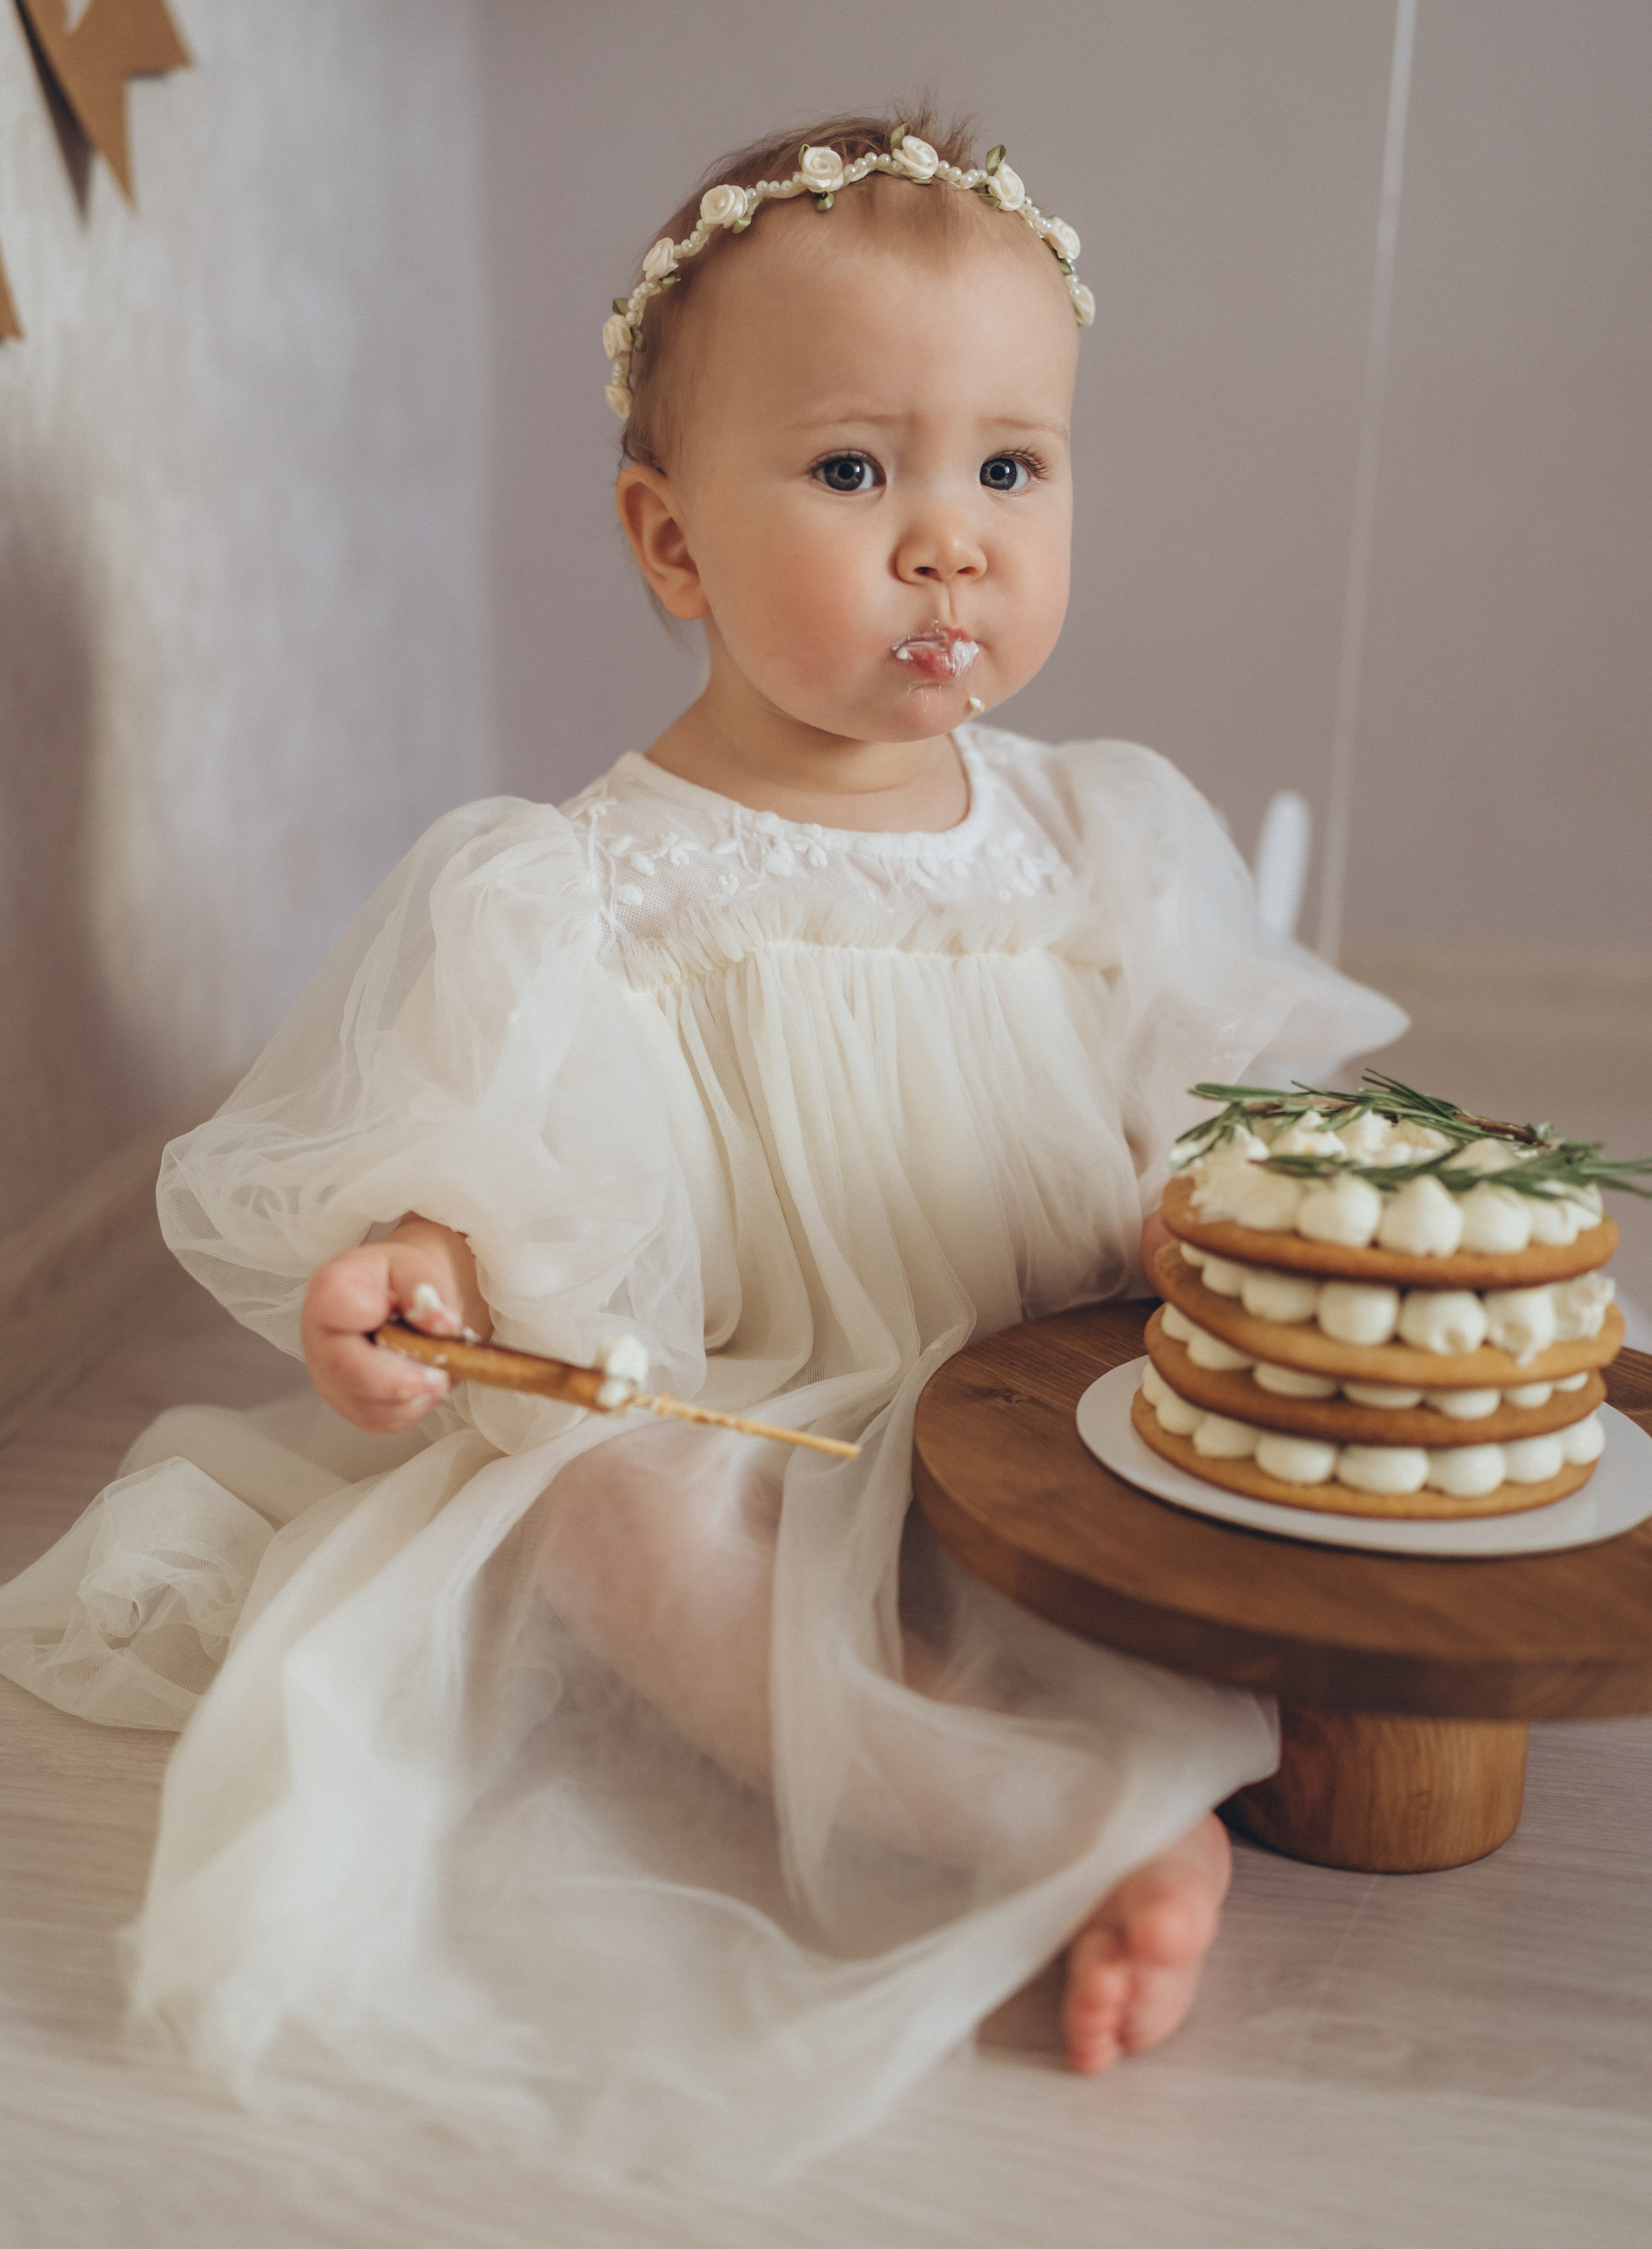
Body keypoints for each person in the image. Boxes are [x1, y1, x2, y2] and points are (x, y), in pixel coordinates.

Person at [0, 111, 1402, 2181]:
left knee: (1297, 1408)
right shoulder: (573, 889)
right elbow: (486, 1182)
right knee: (593, 1511)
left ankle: (1085, 1706)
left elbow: (1217, 1091)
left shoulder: (1100, 830)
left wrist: (1211, 1202)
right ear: (671, 541)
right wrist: (421, 1279)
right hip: (759, 1416)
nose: (952, 540)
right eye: (856, 470)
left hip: (1062, 1388)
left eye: (1011, 466)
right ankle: (1022, 1812)